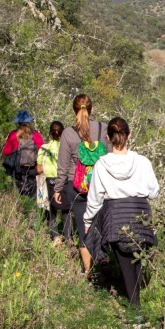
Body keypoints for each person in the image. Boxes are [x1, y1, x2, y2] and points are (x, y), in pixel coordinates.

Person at [82, 117, 159, 306]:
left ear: (108, 137)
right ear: (129, 135)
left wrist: (87, 221)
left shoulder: (101, 164)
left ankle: (135, 307)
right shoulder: (142, 162)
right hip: (140, 212)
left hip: (115, 215)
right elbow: (154, 191)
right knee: (137, 259)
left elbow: (95, 198)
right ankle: (137, 305)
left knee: (124, 263)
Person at [53, 94, 111, 274]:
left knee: (82, 227)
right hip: (100, 185)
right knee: (101, 226)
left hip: (75, 186)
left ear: (73, 111)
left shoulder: (68, 133)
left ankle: (88, 272)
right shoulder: (103, 128)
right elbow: (110, 159)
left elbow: (62, 166)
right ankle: (104, 262)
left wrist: (57, 189)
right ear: (91, 109)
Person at [37, 121, 72, 241]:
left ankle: (55, 237)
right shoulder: (67, 147)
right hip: (65, 181)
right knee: (66, 210)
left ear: (50, 133)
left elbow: (39, 168)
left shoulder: (44, 148)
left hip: (50, 182)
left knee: (51, 211)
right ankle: (69, 237)